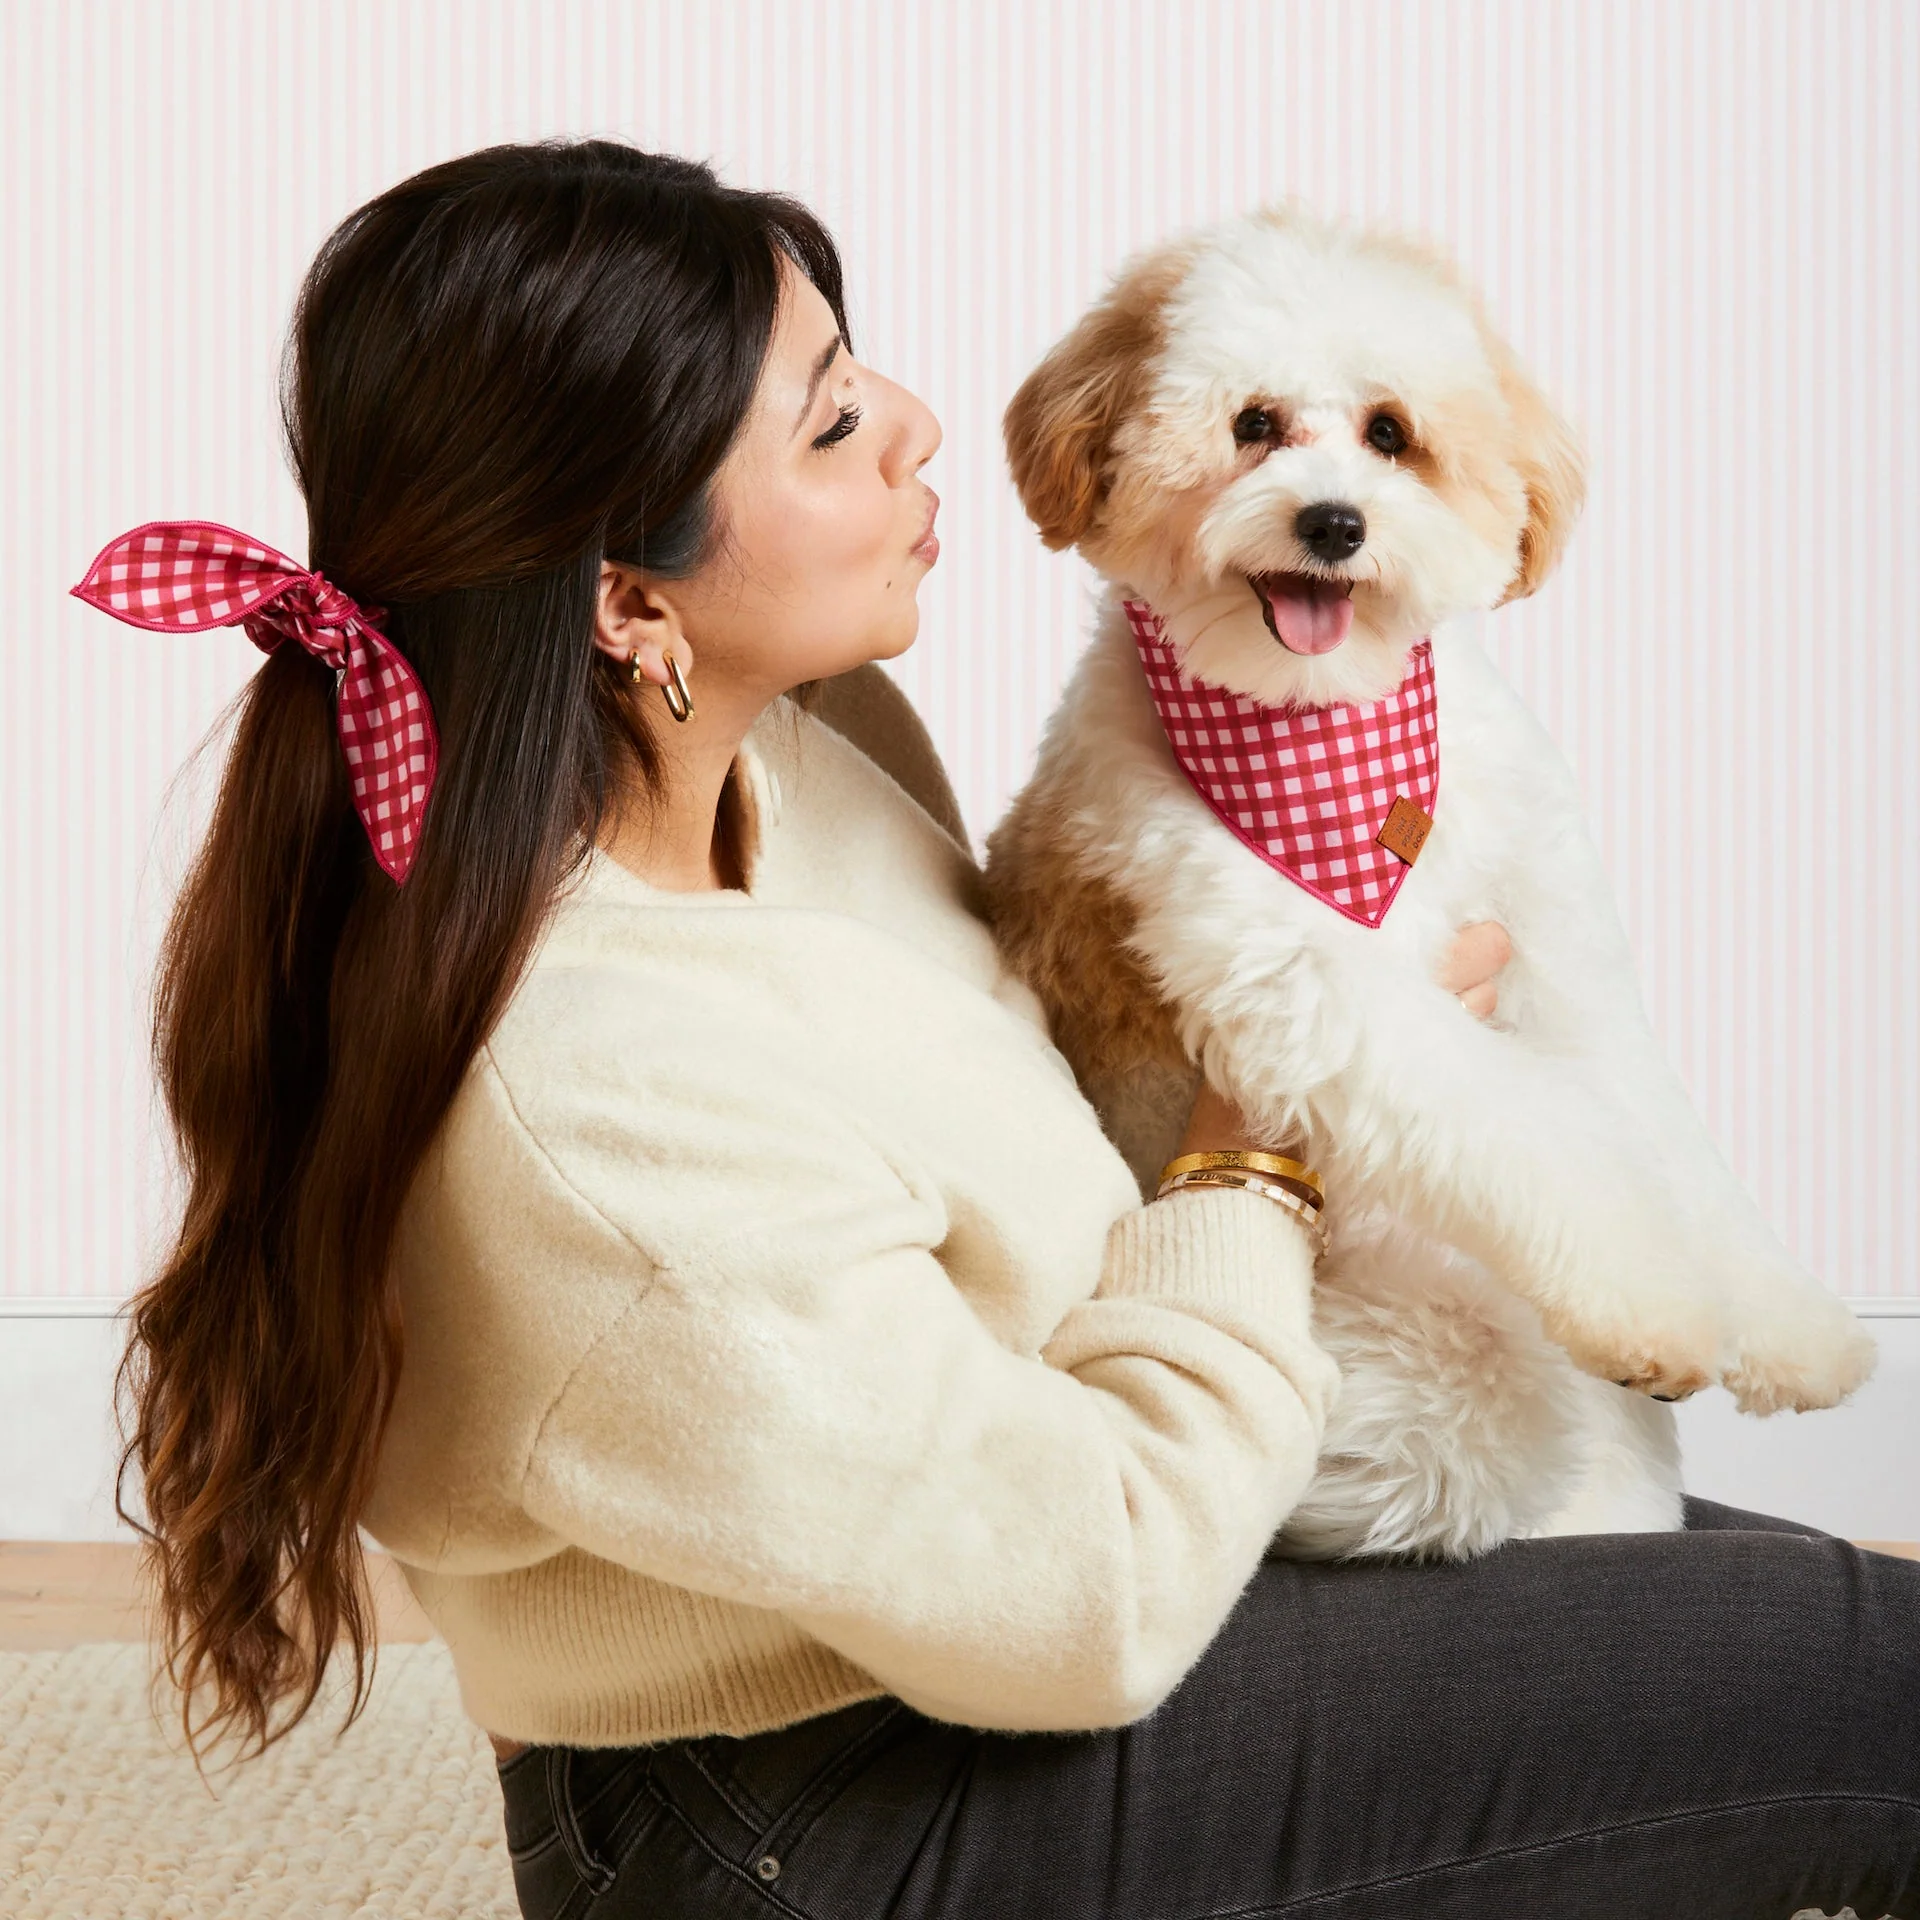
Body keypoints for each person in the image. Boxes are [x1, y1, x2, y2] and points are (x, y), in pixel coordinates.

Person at [99, 139, 1919, 1920]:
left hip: (1069, 1552)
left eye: (858, 368)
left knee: (1805, 1621)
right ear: (628, 600)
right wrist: (1257, 1139)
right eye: (830, 422)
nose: (916, 426)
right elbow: (1088, 1601)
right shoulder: (594, 1094)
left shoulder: (793, 757)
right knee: (1861, 1684)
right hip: (832, 1805)